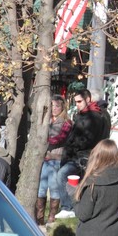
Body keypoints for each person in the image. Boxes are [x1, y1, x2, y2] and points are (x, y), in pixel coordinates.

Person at [57, 89, 106, 218]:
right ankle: (71, 207)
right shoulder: (84, 115)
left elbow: (86, 139)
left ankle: (68, 207)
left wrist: (72, 148)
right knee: (71, 181)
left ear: (87, 100)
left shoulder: (93, 116)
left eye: (79, 101)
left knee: (62, 175)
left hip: (82, 157)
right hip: (76, 156)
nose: (77, 104)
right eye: (76, 102)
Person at [38, 95, 72, 225]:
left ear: (63, 107)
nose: (54, 108)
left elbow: (59, 138)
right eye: (52, 105)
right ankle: (39, 218)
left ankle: (52, 218)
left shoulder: (66, 122)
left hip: (56, 159)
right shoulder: (46, 120)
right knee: (41, 188)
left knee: (53, 187)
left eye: (57, 106)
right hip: (44, 159)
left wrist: (42, 139)